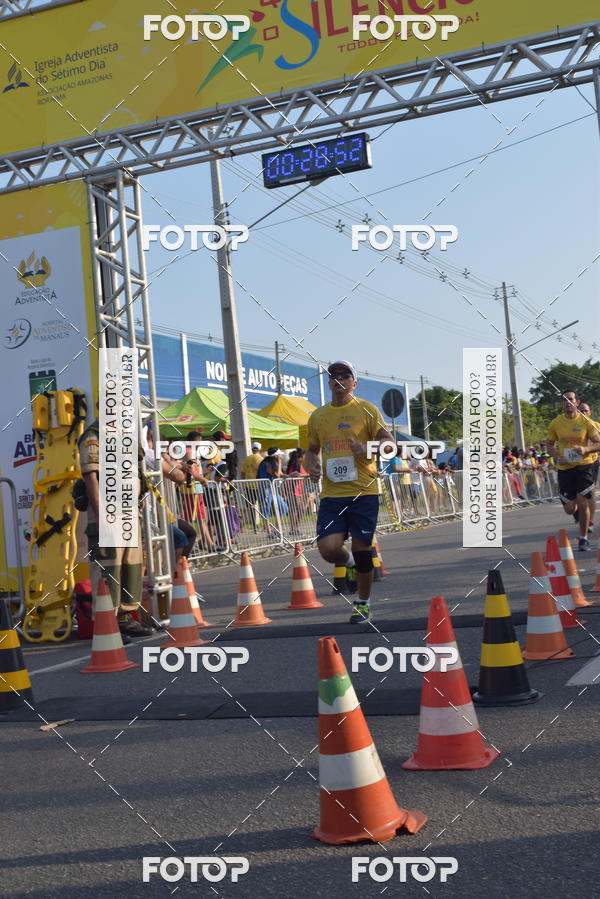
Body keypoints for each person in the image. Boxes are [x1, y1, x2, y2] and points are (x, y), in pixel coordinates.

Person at [304, 360, 393, 624]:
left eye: (345, 375)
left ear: (354, 382)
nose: (338, 379)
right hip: (332, 494)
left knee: (363, 546)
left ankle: (363, 604)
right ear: (329, 382)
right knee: (328, 550)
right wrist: (312, 466)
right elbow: (311, 450)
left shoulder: (367, 410)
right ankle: (349, 561)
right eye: (334, 375)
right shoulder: (318, 416)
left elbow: (389, 444)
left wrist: (368, 450)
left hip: (364, 491)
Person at [79, 411, 151, 640]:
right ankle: (106, 624)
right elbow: (91, 478)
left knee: (131, 565)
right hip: (108, 513)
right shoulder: (93, 436)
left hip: (129, 513)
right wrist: (102, 517)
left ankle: (125, 618)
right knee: (108, 567)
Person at [547, 390, 600, 551]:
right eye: (564, 400)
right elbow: (549, 444)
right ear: (562, 404)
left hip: (584, 466)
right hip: (565, 469)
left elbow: (598, 444)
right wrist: (556, 456)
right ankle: (577, 508)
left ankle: (583, 538)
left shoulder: (586, 422)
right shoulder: (556, 423)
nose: (567, 402)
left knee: (583, 502)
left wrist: (585, 449)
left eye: (570, 399)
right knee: (570, 509)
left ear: (576, 402)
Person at [575, 402, 599, 536]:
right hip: (573, 465)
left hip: (592, 463)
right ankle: (581, 514)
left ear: (590, 413)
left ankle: (589, 521)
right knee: (576, 497)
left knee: (590, 493)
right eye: (581, 411)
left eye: (586, 411)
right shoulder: (570, 425)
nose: (583, 413)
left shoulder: (596, 426)